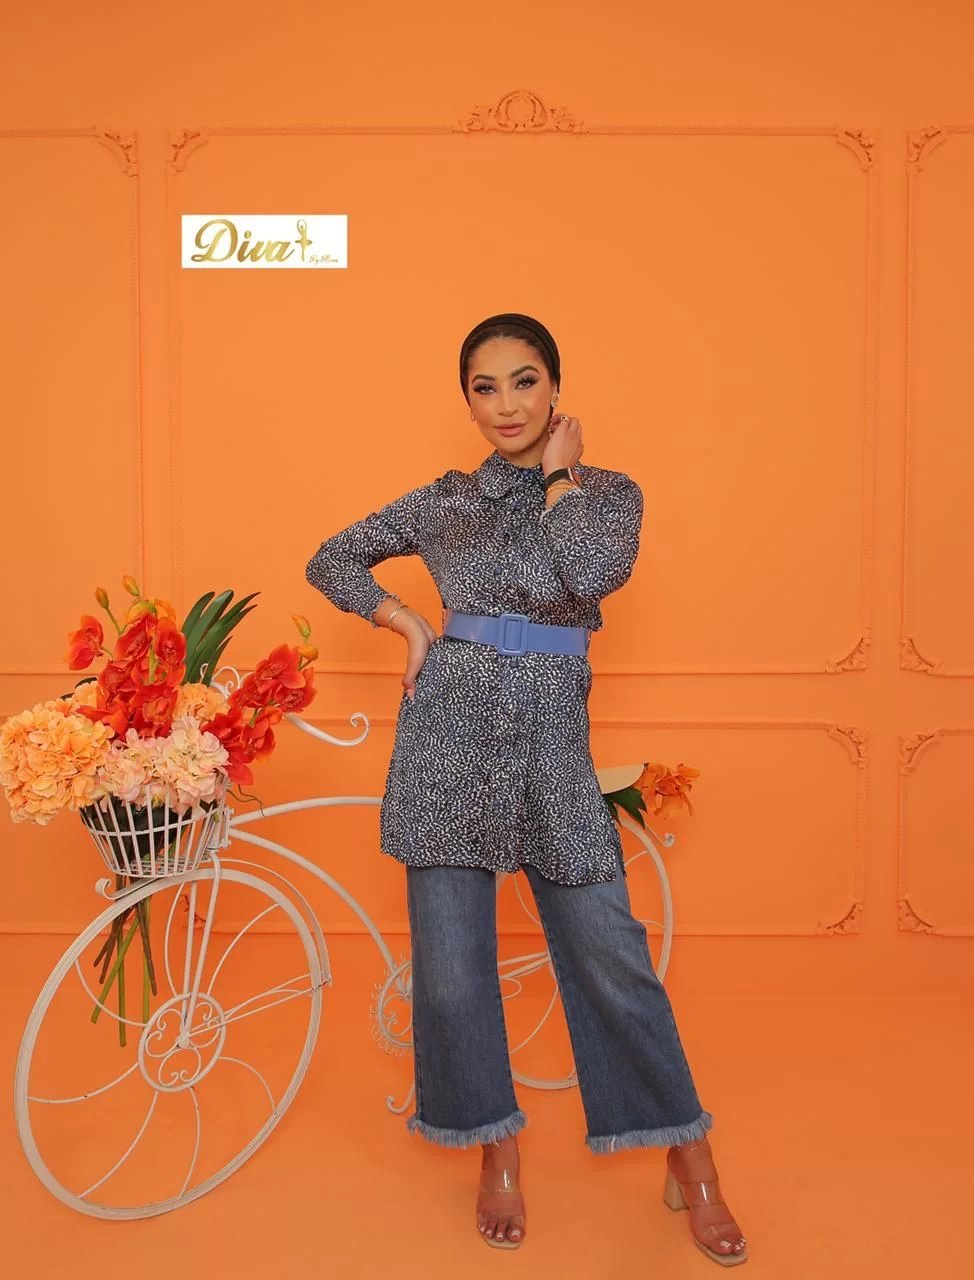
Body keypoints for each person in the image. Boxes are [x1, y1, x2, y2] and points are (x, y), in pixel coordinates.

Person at [305, 313, 747, 1264]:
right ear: (466, 399)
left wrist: (557, 477)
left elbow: (587, 573)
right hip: (446, 740)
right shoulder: (444, 500)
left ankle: (690, 1156)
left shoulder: (606, 495)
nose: (505, 404)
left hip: (551, 747)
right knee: (453, 969)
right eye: (484, 386)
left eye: (524, 381)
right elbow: (329, 558)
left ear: (555, 389)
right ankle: (495, 1152)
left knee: (609, 953)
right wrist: (406, 621)